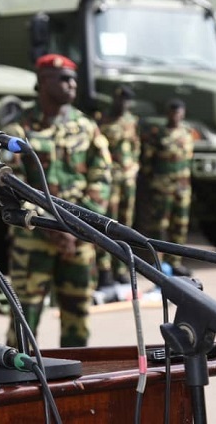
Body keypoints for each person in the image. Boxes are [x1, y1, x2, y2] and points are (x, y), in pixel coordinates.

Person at [3, 54, 111, 347]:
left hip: (78, 237)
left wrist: (78, 224)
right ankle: (19, 385)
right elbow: (12, 185)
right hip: (33, 237)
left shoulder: (86, 127)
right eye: (63, 78)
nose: (72, 84)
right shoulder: (18, 130)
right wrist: (50, 225)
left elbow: (102, 177)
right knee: (24, 320)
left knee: (77, 318)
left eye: (73, 78)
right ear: (42, 81)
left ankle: (72, 387)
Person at [140, 98, 194, 277]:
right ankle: (158, 262)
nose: (176, 116)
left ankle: (175, 262)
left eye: (179, 112)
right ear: (168, 113)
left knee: (180, 226)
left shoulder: (187, 133)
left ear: (183, 113)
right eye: (173, 112)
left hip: (182, 188)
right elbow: (147, 162)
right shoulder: (159, 134)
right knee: (160, 226)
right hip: (162, 188)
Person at [96, 85, 140, 286]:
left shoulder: (132, 121)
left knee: (126, 223)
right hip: (111, 179)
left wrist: (134, 167)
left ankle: (122, 267)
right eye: (121, 100)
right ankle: (104, 269)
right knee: (109, 223)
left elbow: (135, 146)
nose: (124, 105)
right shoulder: (103, 120)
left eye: (128, 101)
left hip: (128, 178)